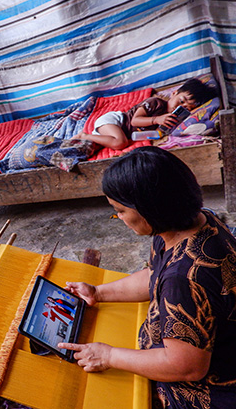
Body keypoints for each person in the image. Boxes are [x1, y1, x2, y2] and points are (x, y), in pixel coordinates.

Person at [57, 146, 236, 408]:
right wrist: (99, 292)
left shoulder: (184, 279)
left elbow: (187, 367)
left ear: (151, 209)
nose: (119, 218)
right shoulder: (198, 222)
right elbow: (155, 274)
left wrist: (109, 356)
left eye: (120, 210)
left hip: (211, 387)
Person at [72, 79, 216, 150]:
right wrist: (156, 119)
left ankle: (93, 137)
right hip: (115, 120)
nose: (181, 106)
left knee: (116, 141)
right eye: (181, 101)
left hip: (122, 131)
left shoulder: (171, 119)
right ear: (174, 93)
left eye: (186, 108)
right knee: (120, 143)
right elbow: (135, 121)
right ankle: (84, 135)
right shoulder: (156, 103)